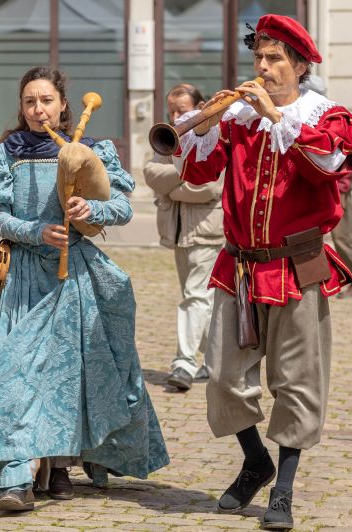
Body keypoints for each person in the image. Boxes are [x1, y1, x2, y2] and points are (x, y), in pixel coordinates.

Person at [0, 66, 169, 512]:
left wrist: (92, 208)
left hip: (76, 279)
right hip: (24, 279)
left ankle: (61, 465)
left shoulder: (90, 150)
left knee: (69, 376)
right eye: (30, 101)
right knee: (18, 378)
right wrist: (35, 231)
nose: (38, 109)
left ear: (63, 105)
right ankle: (16, 476)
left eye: (46, 100)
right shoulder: (3, 154)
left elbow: (121, 207)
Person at [172, 15, 352, 529]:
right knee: (225, 378)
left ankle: (284, 488)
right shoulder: (238, 119)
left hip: (297, 265)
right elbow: (196, 173)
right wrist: (205, 124)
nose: (263, 66)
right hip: (239, 266)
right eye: (258, 57)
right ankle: (255, 460)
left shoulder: (328, 117)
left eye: (275, 58)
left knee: (297, 381)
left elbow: (327, 166)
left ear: (300, 65)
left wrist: (277, 116)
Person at [144, 83, 224, 392]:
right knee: (200, 300)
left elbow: (210, 186)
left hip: (207, 231)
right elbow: (151, 173)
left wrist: (176, 178)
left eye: (182, 110)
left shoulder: (212, 136)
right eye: (172, 110)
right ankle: (215, 364)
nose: (176, 116)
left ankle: (184, 363)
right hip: (177, 231)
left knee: (195, 296)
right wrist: (186, 175)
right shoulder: (168, 135)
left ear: (200, 106)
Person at [301, 76, 352, 298]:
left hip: (336, 191)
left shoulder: (331, 117)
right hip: (314, 192)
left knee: (343, 238)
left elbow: (346, 161)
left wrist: (340, 188)